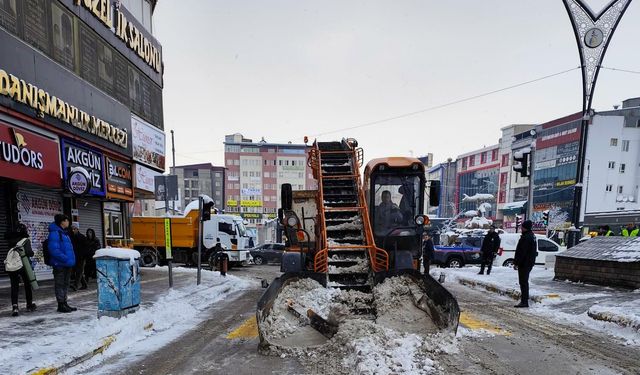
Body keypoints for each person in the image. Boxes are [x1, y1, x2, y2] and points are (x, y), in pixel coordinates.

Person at [5, 224, 36, 316]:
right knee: (27, 284)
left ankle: (15, 307)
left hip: (12, 266)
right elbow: (29, 252)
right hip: (23, 265)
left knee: (14, 286)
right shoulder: (25, 240)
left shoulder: (10, 240)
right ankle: (29, 304)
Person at [48, 214, 76, 313]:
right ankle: (61, 304)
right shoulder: (55, 233)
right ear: (62, 222)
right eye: (66, 220)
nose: (68, 222)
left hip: (66, 264)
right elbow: (54, 250)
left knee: (65, 284)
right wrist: (65, 259)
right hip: (59, 264)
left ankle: (64, 302)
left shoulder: (64, 233)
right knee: (60, 284)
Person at [513, 220, 537, 308]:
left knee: (523, 282)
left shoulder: (526, 237)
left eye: (522, 227)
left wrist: (517, 262)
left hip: (524, 263)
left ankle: (524, 301)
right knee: (524, 282)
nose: (521, 228)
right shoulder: (531, 236)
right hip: (528, 262)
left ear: (525, 227)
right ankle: (524, 300)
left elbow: (522, 252)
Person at [70, 225, 88, 291]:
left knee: (79, 271)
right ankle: (84, 284)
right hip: (75, 257)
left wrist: (84, 256)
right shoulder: (71, 237)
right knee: (78, 271)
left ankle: (76, 285)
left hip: (81, 257)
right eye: (72, 229)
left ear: (77, 229)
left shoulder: (82, 237)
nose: (73, 230)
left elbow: (86, 248)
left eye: (74, 229)